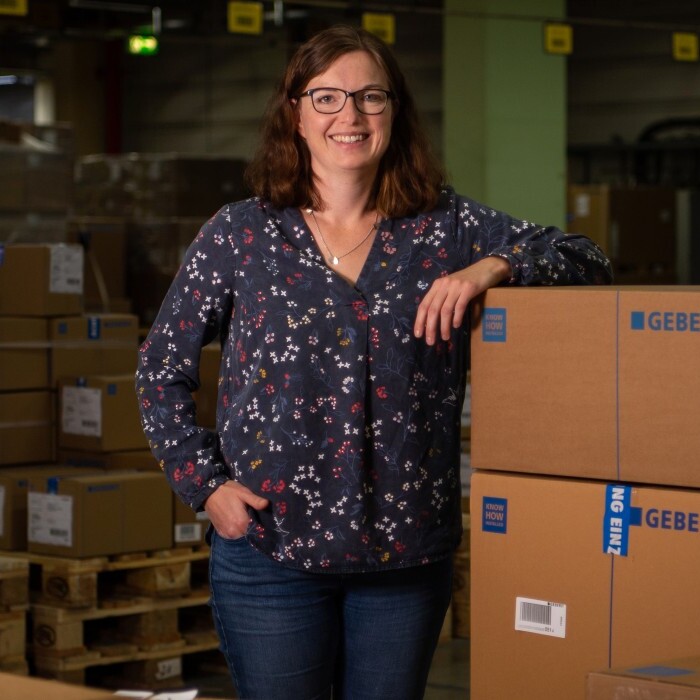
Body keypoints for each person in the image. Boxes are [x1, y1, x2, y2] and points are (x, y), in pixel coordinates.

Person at [135, 24, 612, 700]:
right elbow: (160, 368)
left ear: (395, 113)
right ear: (294, 113)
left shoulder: (444, 228)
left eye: (370, 97)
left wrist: (490, 267)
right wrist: (206, 486)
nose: (350, 116)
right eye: (326, 98)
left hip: (405, 558)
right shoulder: (241, 235)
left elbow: (586, 259)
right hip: (272, 549)